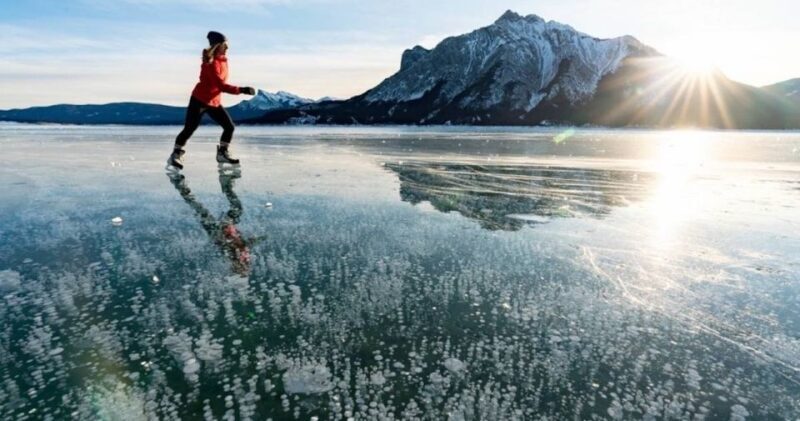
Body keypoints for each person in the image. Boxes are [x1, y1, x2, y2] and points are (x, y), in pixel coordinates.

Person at [167, 31, 256, 170]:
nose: (227, 47)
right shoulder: (211, 62)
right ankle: (175, 155)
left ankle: (222, 153)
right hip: (199, 100)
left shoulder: (222, 61)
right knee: (189, 128)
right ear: (217, 45)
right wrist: (242, 89)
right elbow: (220, 85)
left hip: (213, 101)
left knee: (229, 126)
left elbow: (218, 86)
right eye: (224, 44)